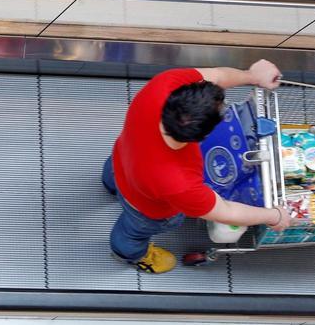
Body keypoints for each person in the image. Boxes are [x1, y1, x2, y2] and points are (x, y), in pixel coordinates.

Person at [103, 60, 291, 273]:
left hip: (121, 159)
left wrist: (252, 75)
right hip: (144, 208)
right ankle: (130, 254)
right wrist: (274, 216)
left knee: (115, 175)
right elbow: (225, 210)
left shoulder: (162, 85)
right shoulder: (180, 183)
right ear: (204, 135)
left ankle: (109, 185)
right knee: (133, 231)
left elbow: (217, 75)